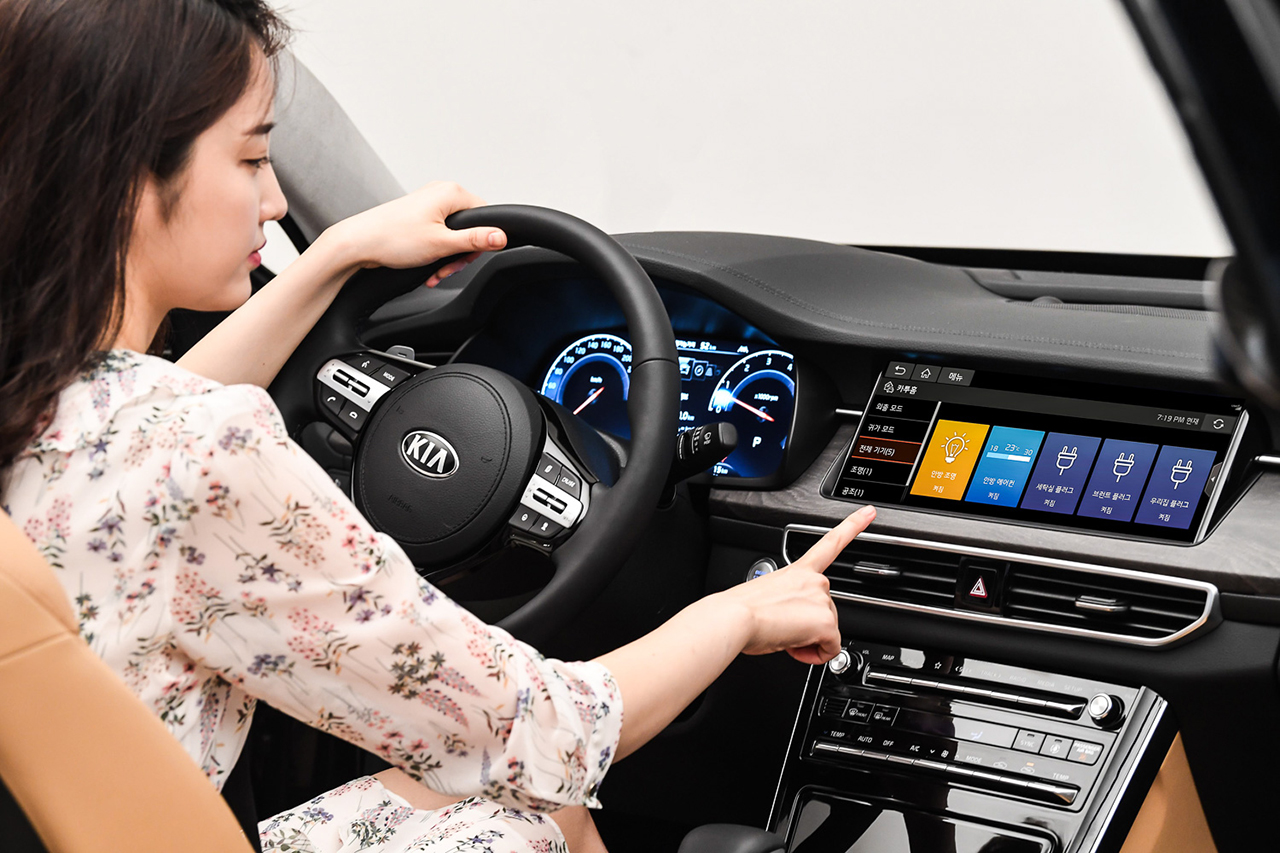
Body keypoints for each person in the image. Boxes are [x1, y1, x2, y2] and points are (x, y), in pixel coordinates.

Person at [0, 1, 877, 851]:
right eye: (252, 158)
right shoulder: (203, 449)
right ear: (125, 174)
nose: (273, 200)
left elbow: (138, 434)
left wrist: (337, 253)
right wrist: (741, 613)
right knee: (538, 802)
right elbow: (544, 732)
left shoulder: (52, 408)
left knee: (532, 808)